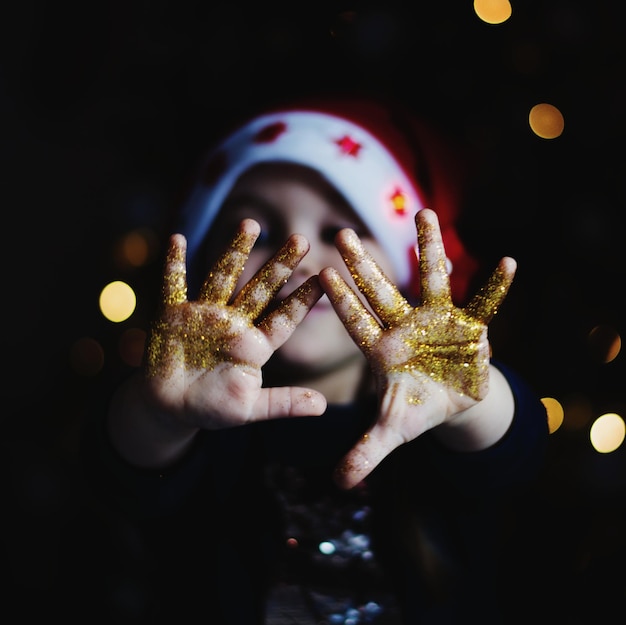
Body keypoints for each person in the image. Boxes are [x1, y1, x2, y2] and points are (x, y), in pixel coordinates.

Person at [83, 94, 549, 625]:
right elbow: (122, 473)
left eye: (340, 233)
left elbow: (516, 454)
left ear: (400, 273)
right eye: (255, 230)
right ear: (207, 259)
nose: (300, 256)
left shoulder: (432, 420)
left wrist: (470, 403)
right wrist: (162, 412)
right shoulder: (199, 421)